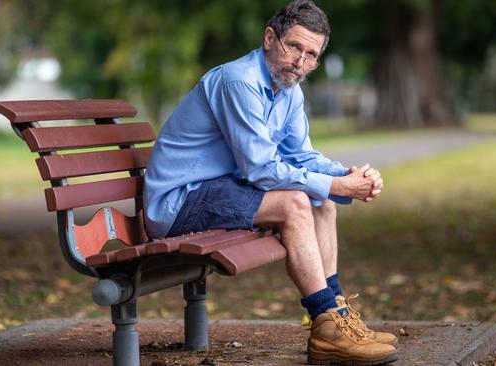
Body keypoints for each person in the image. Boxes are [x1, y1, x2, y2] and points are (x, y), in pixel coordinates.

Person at [143, 0, 398, 364]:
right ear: (269, 38)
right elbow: (260, 170)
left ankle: (338, 319)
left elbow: (301, 155)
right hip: (179, 201)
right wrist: (337, 185)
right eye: (294, 46)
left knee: (321, 202)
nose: (300, 62)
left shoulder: (290, 89)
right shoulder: (239, 82)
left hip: (218, 191)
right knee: (295, 202)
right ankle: (326, 330)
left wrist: (346, 175)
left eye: (312, 55)